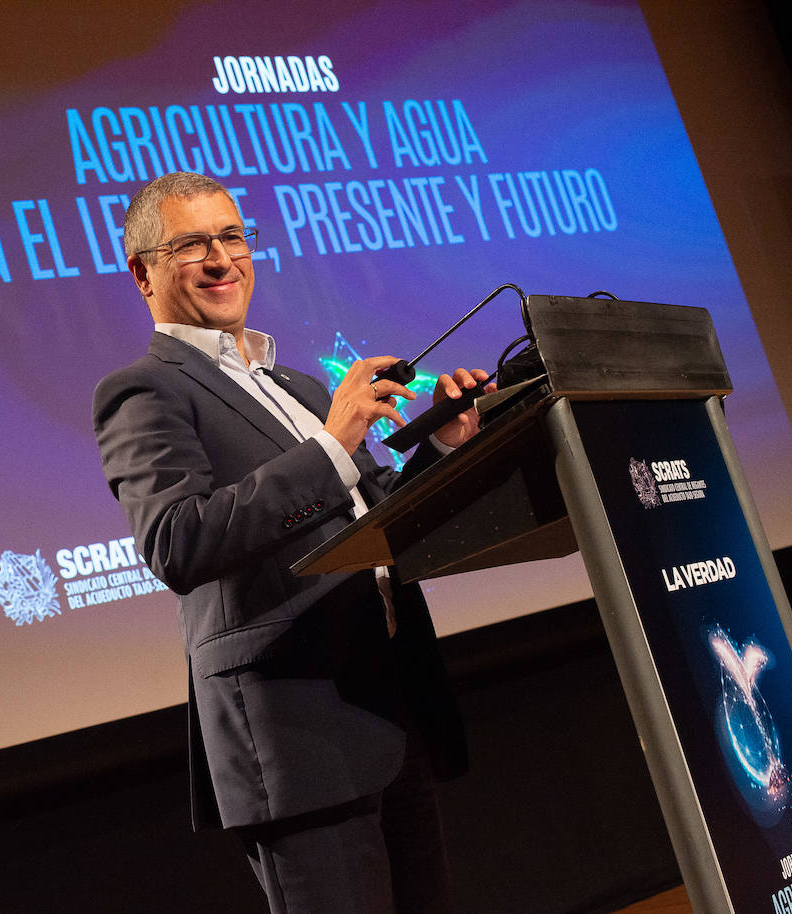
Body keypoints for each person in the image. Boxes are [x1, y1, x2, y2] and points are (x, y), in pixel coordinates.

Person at [92, 172, 492, 913]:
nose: (221, 258)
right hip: (297, 742)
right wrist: (334, 443)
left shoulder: (303, 388)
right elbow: (176, 542)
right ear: (143, 273)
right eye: (190, 246)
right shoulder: (144, 391)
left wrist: (439, 446)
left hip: (388, 711)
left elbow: (378, 525)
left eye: (232, 235)